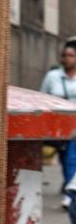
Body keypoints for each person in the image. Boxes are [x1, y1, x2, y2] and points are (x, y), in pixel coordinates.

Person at [40, 39, 76, 212]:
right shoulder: (52, 77)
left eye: (71, 55)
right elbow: (42, 97)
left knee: (71, 159)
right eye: (64, 55)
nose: (67, 59)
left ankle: (70, 195)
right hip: (59, 127)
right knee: (65, 159)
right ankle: (69, 187)